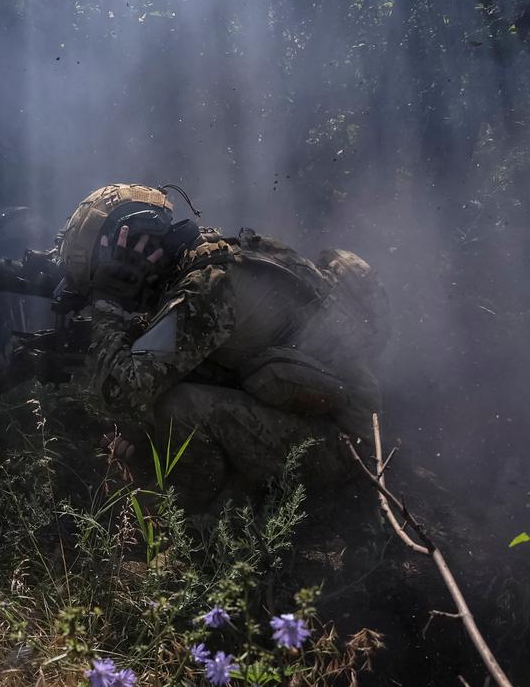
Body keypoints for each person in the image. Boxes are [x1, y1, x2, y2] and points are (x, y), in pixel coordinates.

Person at [56, 183, 389, 507]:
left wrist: (106, 304)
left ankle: (197, 513)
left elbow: (125, 389)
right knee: (169, 387)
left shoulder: (206, 288)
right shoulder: (208, 256)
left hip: (347, 445)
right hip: (331, 418)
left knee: (178, 406)